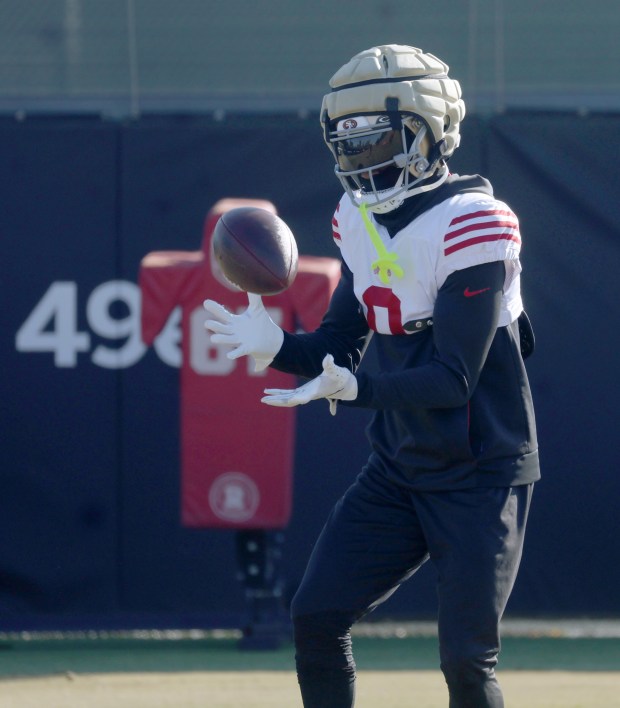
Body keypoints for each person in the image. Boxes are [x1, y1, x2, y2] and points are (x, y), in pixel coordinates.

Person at [204, 44, 539, 708]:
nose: (360, 159)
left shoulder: (474, 222)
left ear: (426, 131)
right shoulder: (355, 217)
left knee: (468, 663)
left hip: (480, 468)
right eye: (347, 143)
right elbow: (336, 344)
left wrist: (355, 388)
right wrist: (274, 344)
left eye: (374, 140)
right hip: (399, 465)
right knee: (316, 616)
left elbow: (451, 381)